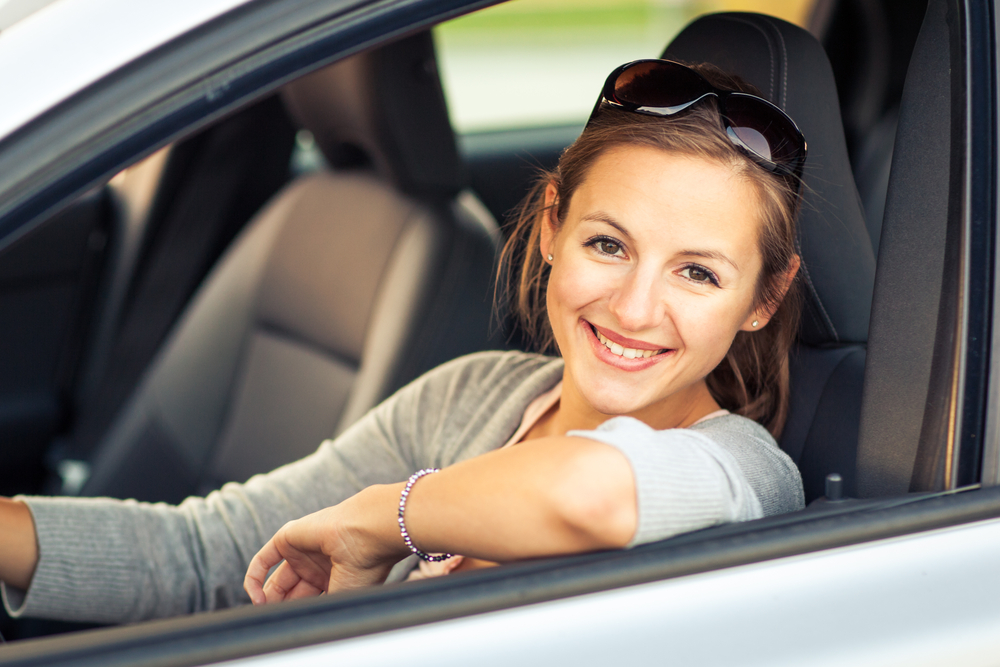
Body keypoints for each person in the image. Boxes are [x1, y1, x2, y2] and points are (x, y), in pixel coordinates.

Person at [0, 59, 805, 624]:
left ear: (762, 299)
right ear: (553, 224)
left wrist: (384, 517)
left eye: (696, 273)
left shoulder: (743, 471)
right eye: (608, 245)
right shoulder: (472, 396)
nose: (634, 307)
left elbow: (588, 493)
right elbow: (207, 554)